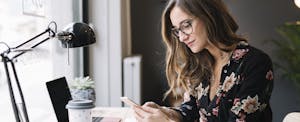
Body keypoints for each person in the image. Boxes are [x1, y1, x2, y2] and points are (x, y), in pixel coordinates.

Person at [132, 0, 274, 121]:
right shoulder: (200, 63)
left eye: (186, 25)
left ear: (209, 15)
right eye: (177, 30)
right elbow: (192, 109)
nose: (181, 38)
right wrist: (167, 113)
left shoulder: (256, 64)